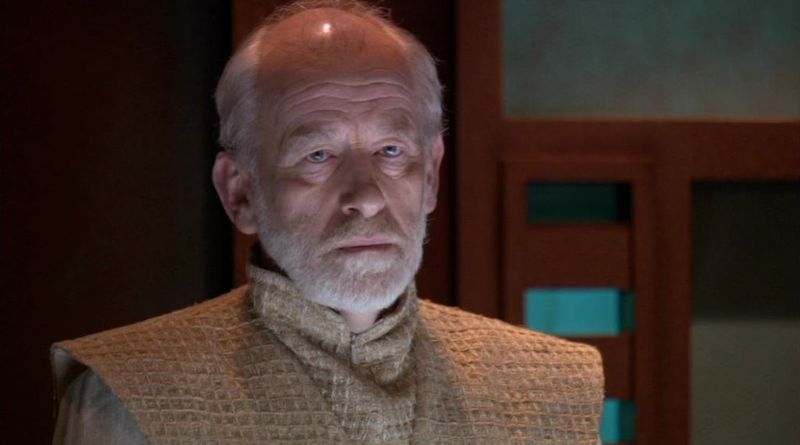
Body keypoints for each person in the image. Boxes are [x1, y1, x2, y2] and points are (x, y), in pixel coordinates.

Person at [51, 1, 604, 444]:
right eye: (318, 155)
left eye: (391, 151)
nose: (365, 197)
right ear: (239, 191)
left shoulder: (549, 391)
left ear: (431, 176)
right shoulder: (137, 396)